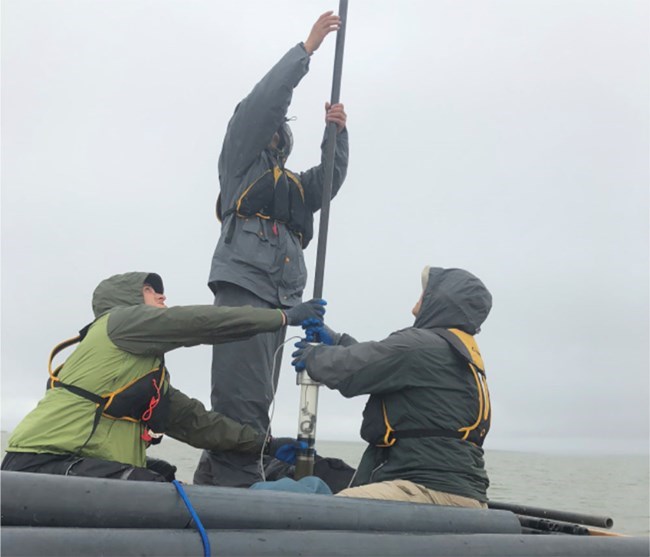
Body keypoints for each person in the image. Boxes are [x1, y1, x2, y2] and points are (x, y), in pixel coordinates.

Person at [195, 10, 349, 487]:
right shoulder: (241, 161)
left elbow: (328, 183)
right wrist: (305, 51)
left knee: (258, 397)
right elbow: (262, 104)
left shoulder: (293, 189)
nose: (278, 124)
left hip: (284, 299)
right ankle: (233, 484)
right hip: (245, 285)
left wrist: (336, 135)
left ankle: (228, 475)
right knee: (240, 397)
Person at [1, 271, 325, 481]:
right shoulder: (119, 322)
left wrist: (264, 444)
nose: (162, 297)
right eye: (149, 290)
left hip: (80, 466)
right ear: (127, 302)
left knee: (165, 476)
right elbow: (197, 321)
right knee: (151, 485)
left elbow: (195, 423)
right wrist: (281, 316)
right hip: (41, 466)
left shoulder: (138, 369)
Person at [291, 266, 493, 508]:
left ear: (440, 301)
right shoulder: (456, 351)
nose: (416, 302)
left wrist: (314, 357)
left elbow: (354, 369)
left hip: (428, 489)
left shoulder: (420, 345)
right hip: (464, 495)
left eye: (424, 294)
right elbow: (381, 363)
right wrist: (338, 341)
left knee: (321, 513)